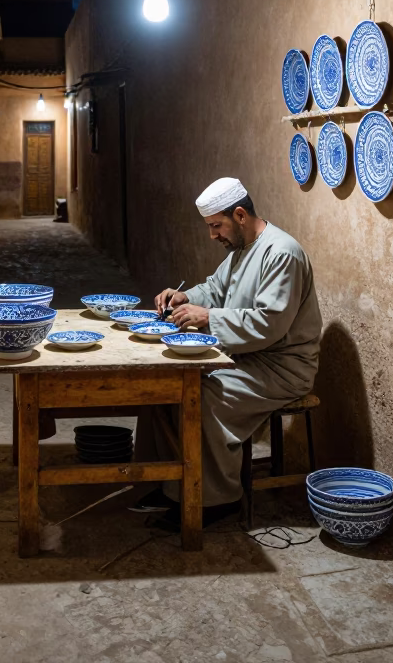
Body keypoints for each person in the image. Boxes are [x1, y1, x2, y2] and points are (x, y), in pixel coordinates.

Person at [130, 176, 322, 529]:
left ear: (239, 215)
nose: (213, 235)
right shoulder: (240, 251)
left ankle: (214, 500)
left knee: (201, 395)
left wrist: (209, 318)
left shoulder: (281, 253)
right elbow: (215, 288)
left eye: (216, 226)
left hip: (281, 367)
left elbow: (269, 324)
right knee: (162, 382)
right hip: (246, 357)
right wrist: (186, 297)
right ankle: (169, 483)